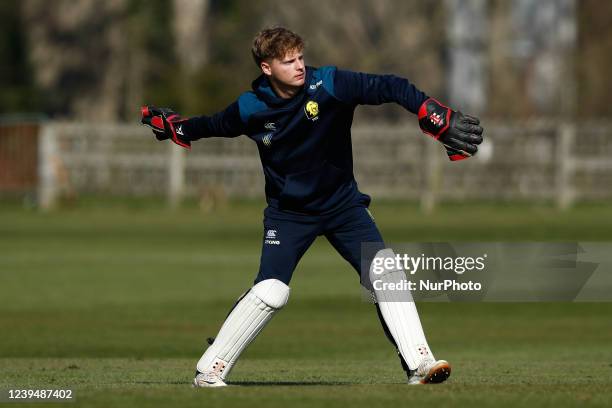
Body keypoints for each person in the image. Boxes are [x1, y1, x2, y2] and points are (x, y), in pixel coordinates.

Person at [141, 26, 483, 387]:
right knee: (272, 291)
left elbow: (391, 86)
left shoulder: (330, 84)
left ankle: (420, 365)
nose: (300, 66)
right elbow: (212, 125)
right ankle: (209, 370)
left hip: (343, 206)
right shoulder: (250, 107)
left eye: (301, 57)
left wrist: (432, 113)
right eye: (289, 61)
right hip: (289, 214)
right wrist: (176, 127)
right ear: (267, 68)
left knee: (386, 271)